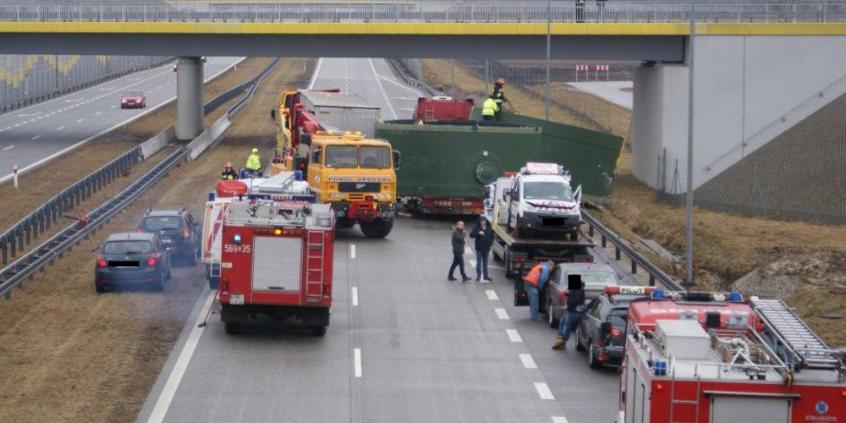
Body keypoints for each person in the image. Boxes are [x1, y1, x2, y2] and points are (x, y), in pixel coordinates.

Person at [553, 275, 586, 351]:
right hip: (571, 310)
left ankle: (561, 342)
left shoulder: (577, 290)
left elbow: (576, 300)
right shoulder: (575, 288)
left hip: (573, 311)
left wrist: (569, 304)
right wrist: (568, 294)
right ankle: (560, 341)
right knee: (562, 323)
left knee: (566, 326)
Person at [469, 215, 494, 281]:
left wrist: (490, 244)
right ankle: (478, 276)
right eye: (482, 221)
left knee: (485, 264)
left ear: (486, 222)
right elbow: (471, 235)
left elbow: (492, 236)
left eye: (484, 221)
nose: (483, 222)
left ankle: (486, 276)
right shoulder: (477, 228)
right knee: (479, 264)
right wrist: (478, 233)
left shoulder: (489, 228)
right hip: (479, 249)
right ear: (480, 222)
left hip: (486, 249)